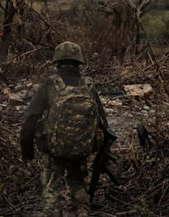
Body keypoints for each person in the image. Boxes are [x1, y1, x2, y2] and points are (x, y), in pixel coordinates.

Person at [20, 41, 110, 217]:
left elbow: (30, 119)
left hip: (53, 150)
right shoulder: (88, 86)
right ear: (79, 63)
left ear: (57, 63)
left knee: (51, 188)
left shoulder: (50, 85)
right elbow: (103, 123)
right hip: (81, 149)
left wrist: (27, 151)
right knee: (77, 182)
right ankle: (83, 211)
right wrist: (97, 147)